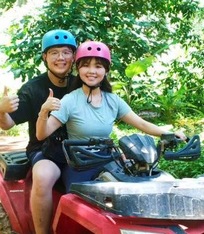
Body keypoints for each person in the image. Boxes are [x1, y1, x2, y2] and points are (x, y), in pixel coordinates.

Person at [36, 40, 187, 191]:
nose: (92, 71)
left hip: (109, 159)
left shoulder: (113, 100)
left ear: (106, 70)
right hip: (80, 163)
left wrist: (169, 133)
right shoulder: (70, 100)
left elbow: (141, 124)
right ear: (78, 69)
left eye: (98, 66)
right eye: (86, 65)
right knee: (80, 200)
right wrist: (44, 111)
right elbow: (42, 134)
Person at [0, 29, 77, 234]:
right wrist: (1, 111)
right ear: (44, 57)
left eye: (66, 52)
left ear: (74, 57)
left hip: (82, 151)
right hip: (45, 150)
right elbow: (8, 124)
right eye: (54, 53)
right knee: (42, 175)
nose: (60, 57)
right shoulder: (33, 88)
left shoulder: (83, 83)